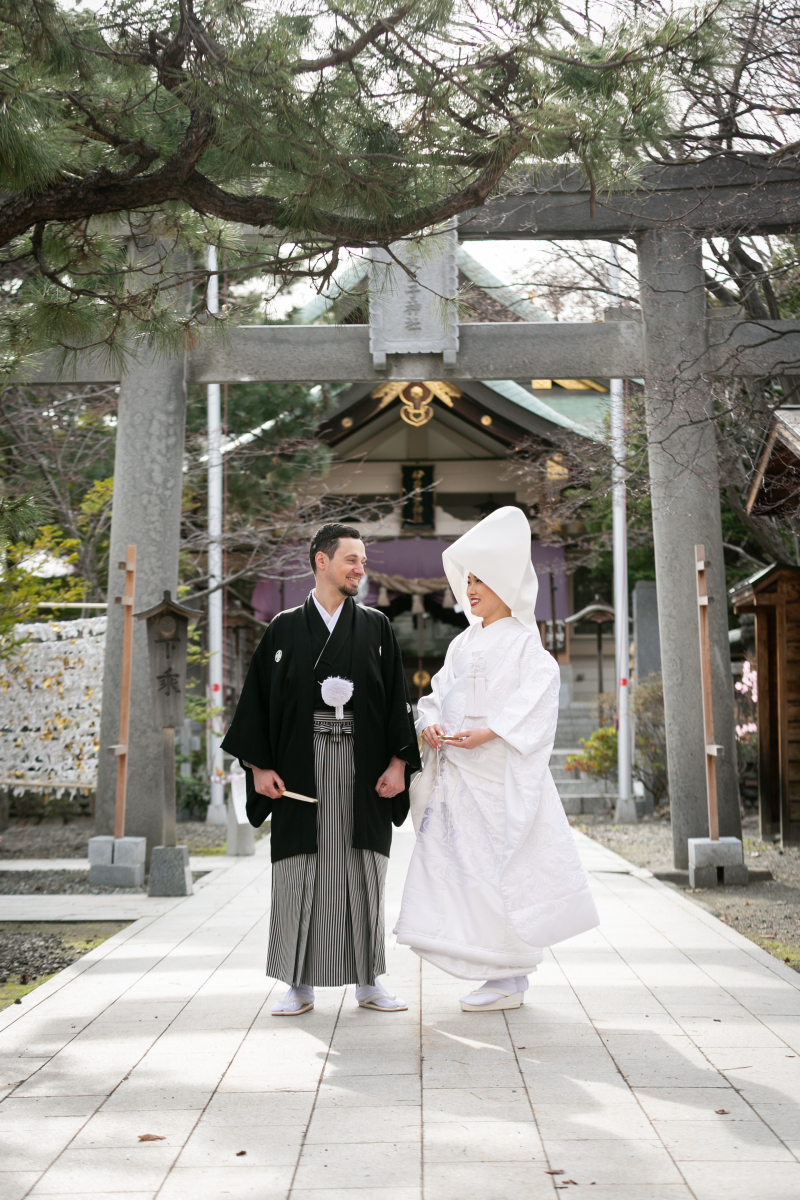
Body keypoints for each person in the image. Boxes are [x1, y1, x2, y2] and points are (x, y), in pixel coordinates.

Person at [394, 506, 599, 1011]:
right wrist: (430, 724)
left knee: (498, 872)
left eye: (481, 580)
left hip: (497, 776)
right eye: (468, 582)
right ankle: (488, 965)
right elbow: (435, 696)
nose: (471, 590)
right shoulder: (463, 642)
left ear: (507, 583)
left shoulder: (526, 646)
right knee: (462, 873)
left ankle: (508, 974)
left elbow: (537, 698)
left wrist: (488, 732)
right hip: (458, 779)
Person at [222, 523, 421, 1015]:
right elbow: (257, 705)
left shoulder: (375, 627)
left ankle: (369, 980)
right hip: (298, 773)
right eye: (351, 559)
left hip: (364, 772)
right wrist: (258, 766)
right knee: (298, 873)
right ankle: (299, 983)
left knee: (363, 872)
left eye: (363, 560)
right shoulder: (285, 629)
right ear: (321, 562)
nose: (360, 569)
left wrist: (399, 763)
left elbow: (397, 701)